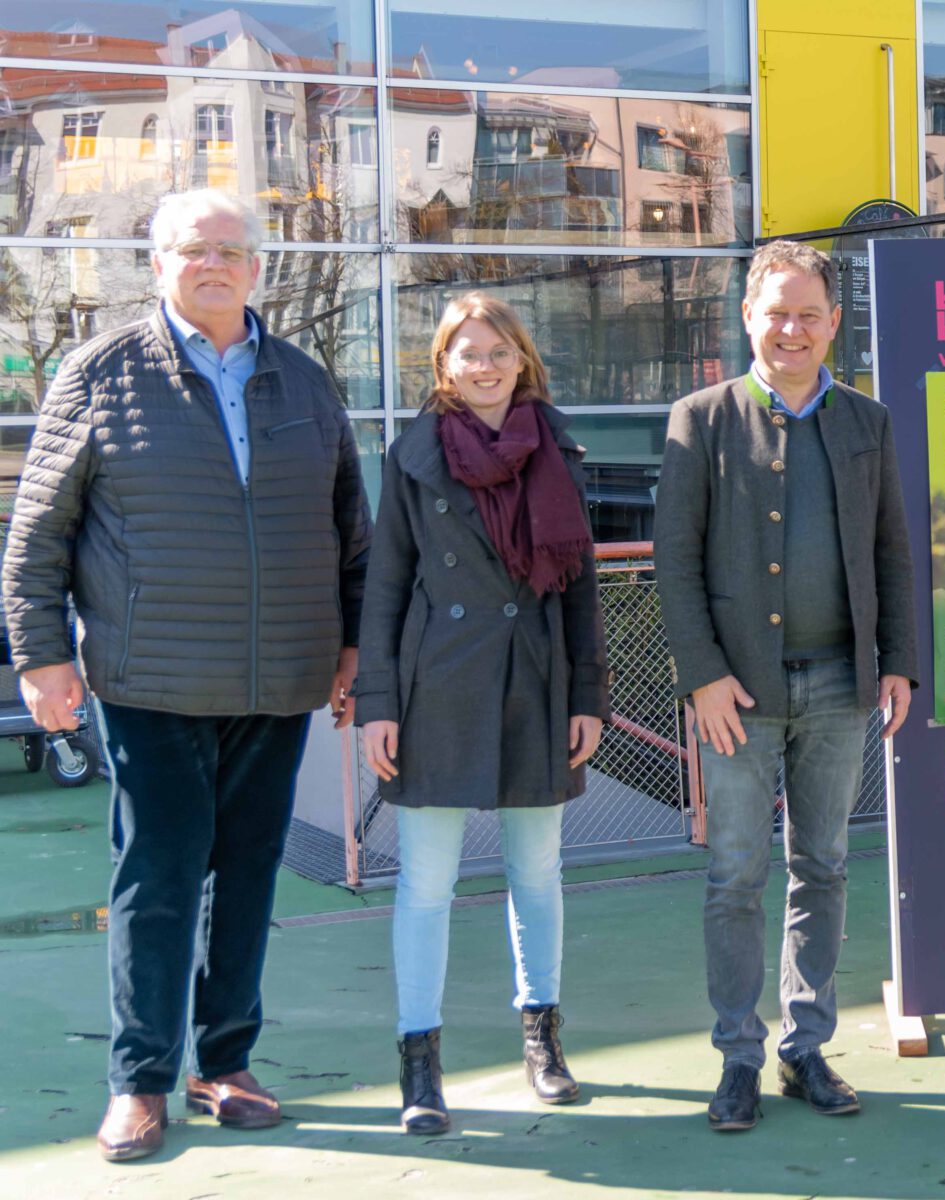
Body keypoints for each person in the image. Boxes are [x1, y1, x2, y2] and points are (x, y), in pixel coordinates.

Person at [1, 188, 370, 1162]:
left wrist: (354, 647)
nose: (213, 264)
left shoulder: (304, 379)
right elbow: (38, 536)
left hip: (278, 680)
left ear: (258, 267)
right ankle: (139, 1081)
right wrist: (39, 656)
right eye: (191, 250)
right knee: (158, 881)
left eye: (231, 250)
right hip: (149, 679)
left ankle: (227, 1062)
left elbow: (351, 532)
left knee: (248, 876)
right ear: (157, 264)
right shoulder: (102, 373)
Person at [655, 240, 916, 1132]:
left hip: (843, 687)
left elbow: (893, 552)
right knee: (734, 876)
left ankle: (806, 1048)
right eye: (777, 313)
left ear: (834, 323)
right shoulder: (702, 419)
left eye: (809, 313)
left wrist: (898, 661)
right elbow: (675, 563)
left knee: (825, 868)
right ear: (748, 318)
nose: (792, 329)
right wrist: (704, 679)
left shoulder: (867, 424)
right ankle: (737, 1054)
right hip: (738, 697)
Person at [353, 292, 608, 1134]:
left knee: (537, 874)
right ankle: (419, 1065)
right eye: (468, 351)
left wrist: (586, 696)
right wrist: (378, 706)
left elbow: (580, 592)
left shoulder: (558, 449)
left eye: (499, 349)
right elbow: (386, 585)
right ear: (445, 366)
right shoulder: (413, 453)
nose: (486, 364)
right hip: (438, 686)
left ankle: (543, 1042)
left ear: (522, 359)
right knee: (425, 885)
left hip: (535, 680)